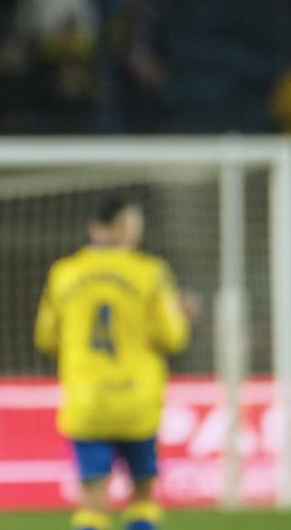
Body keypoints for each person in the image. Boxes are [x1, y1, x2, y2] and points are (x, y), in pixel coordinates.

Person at [34, 198, 198, 530]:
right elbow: (172, 337)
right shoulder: (150, 272)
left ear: (94, 228)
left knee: (93, 498)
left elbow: (46, 338)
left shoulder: (64, 273)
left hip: (87, 400)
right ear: (127, 227)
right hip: (137, 400)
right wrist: (183, 315)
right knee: (143, 494)